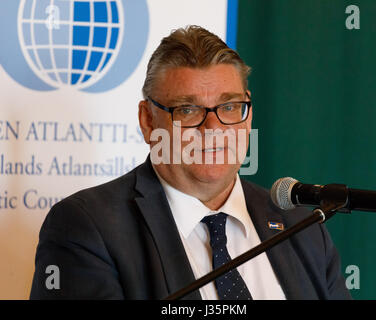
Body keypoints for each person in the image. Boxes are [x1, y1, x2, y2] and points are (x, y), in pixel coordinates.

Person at [30, 25, 351, 300]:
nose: (212, 130)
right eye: (187, 110)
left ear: (248, 113)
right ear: (147, 120)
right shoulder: (87, 228)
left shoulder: (300, 226)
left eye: (228, 107)